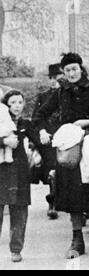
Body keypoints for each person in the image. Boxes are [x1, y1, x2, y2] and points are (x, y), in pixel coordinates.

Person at [33, 52, 89, 259]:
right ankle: (77, 239)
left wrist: (87, 123)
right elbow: (40, 113)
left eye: (74, 69)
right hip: (69, 149)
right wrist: (42, 130)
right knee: (72, 193)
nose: (72, 73)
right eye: (67, 70)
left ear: (81, 69)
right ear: (64, 73)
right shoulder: (61, 92)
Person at [0, 90, 39, 263]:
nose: (17, 106)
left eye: (20, 102)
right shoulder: (0, 121)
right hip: (1, 170)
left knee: (20, 211)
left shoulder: (26, 123)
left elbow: (38, 139)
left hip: (21, 171)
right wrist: (3, 141)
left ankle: (16, 249)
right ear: (6, 105)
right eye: (13, 102)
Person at [31, 64, 65, 220]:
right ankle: (52, 202)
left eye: (57, 78)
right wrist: (42, 133)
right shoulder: (43, 97)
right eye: (51, 78)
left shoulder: (68, 94)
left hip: (66, 137)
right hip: (49, 139)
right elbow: (36, 118)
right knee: (52, 170)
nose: (54, 81)